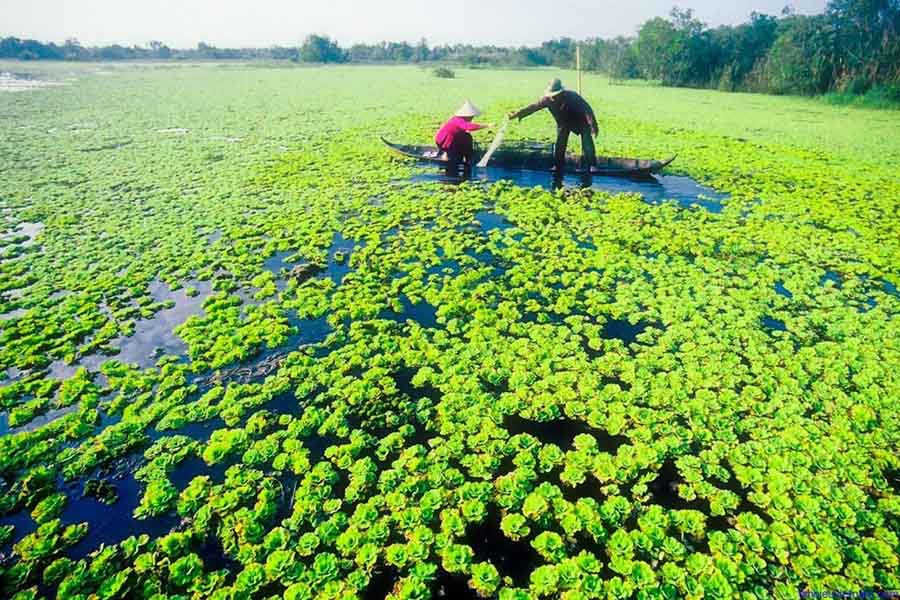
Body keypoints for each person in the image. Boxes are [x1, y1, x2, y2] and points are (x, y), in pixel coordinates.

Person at [508, 78, 598, 175]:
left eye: (555, 95)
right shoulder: (546, 99)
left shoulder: (572, 96)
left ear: (561, 92)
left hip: (580, 121)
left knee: (587, 143)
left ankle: (591, 165)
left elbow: (587, 109)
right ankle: (558, 166)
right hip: (563, 123)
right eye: (552, 95)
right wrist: (517, 114)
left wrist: (593, 124)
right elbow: (533, 107)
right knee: (560, 144)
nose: (553, 97)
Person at [435, 100, 490, 177]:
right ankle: (448, 156)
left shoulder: (459, 120)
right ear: (466, 115)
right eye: (471, 117)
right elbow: (468, 127)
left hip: (450, 138)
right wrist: (486, 125)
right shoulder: (458, 120)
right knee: (455, 158)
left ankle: (465, 157)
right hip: (444, 140)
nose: (471, 118)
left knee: (467, 136)